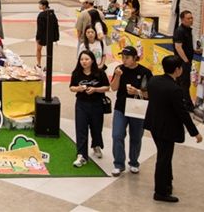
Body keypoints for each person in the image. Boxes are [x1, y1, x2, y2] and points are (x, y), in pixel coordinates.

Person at [144, 55, 202, 203]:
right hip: (167, 129)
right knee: (163, 159)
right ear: (177, 70)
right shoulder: (175, 89)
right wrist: (195, 133)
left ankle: (167, 183)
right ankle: (160, 192)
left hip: (154, 124)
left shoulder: (154, 81)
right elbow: (182, 113)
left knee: (165, 156)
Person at [110, 46, 153, 176]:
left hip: (137, 108)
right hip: (121, 107)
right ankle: (118, 164)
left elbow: (150, 94)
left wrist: (137, 91)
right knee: (117, 135)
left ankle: (134, 162)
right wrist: (117, 76)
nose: (124, 60)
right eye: (122, 57)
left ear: (135, 58)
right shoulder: (119, 69)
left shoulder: (145, 72)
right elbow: (113, 88)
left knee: (136, 137)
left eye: (127, 58)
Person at [70, 50, 110, 167]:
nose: (84, 62)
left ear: (92, 60)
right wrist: (78, 89)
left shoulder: (100, 73)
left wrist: (95, 89)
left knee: (96, 127)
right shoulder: (76, 73)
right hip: (81, 104)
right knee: (81, 129)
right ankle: (81, 155)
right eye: (82, 59)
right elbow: (71, 87)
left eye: (87, 59)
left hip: (97, 104)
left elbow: (107, 87)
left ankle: (96, 145)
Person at [173, 10, 202, 112]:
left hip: (185, 61)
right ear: (182, 20)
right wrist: (186, 61)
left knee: (180, 83)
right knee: (185, 84)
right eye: (188, 18)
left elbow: (186, 46)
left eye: (191, 18)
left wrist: (194, 51)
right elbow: (178, 47)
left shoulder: (188, 30)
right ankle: (188, 105)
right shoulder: (180, 31)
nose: (191, 20)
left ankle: (178, 102)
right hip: (182, 62)